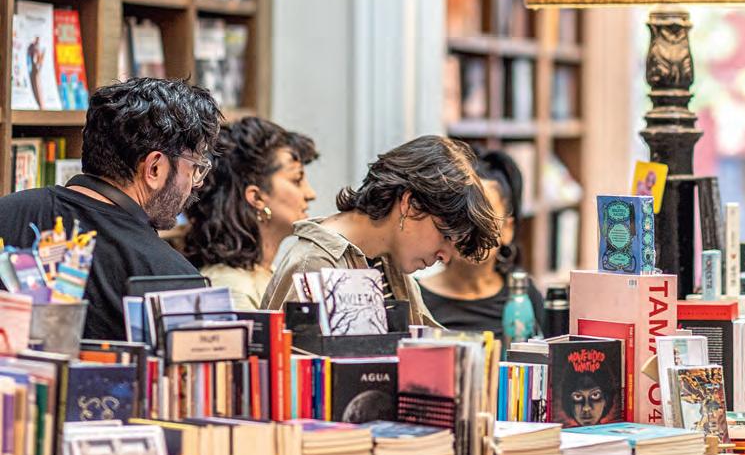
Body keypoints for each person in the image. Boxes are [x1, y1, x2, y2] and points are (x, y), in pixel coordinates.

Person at [0, 78, 220, 340]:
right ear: (154, 168)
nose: (197, 182)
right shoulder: (175, 281)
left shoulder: (6, 211)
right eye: (195, 168)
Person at [260, 135, 500, 327]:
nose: (446, 256)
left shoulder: (389, 263)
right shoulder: (316, 264)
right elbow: (291, 368)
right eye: (445, 235)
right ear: (410, 204)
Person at [182, 117, 319, 310]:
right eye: (297, 180)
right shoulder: (231, 289)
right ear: (256, 197)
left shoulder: (266, 274)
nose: (310, 194)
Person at [418, 148, 545, 337]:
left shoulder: (523, 296)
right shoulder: (416, 299)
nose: (472, 230)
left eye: (485, 218)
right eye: (462, 217)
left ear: (507, 229)